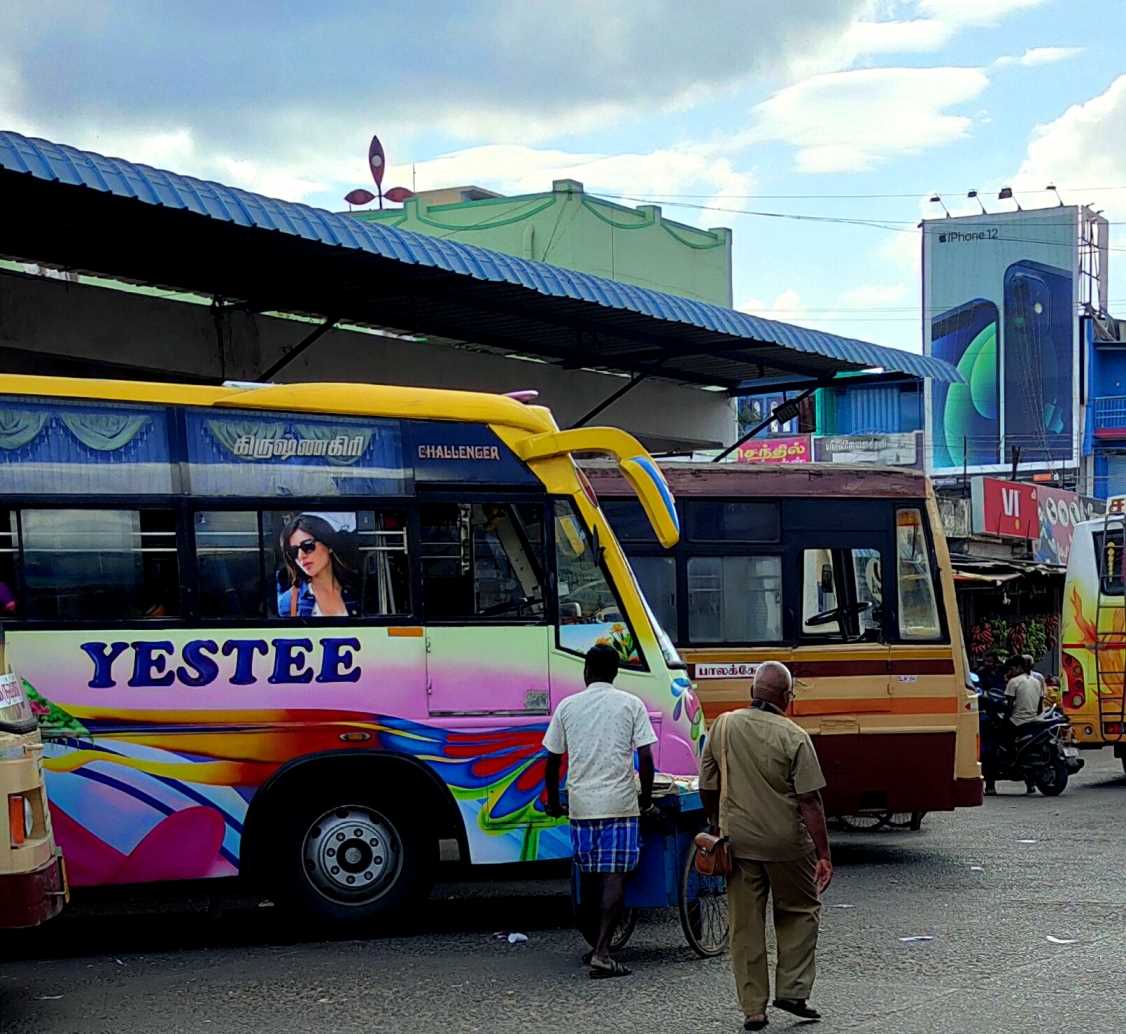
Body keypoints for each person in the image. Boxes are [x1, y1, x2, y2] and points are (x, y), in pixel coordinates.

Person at [700, 661, 832, 1032]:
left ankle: (753, 1009)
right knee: (800, 910)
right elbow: (810, 801)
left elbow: (707, 783)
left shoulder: (724, 725)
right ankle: (792, 989)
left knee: (745, 925)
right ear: (786, 699)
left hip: (738, 843)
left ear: (752, 692)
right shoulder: (794, 737)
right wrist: (823, 853)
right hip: (788, 844)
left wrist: (715, 823)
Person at [542, 643, 656, 979]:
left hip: (582, 805)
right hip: (619, 805)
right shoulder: (630, 704)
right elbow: (646, 759)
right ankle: (603, 953)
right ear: (616, 673)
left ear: (586, 671)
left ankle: (596, 945)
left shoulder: (568, 707)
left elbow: (551, 759)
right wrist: (645, 800)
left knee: (591, 880)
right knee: (614, 877)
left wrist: (553, 800)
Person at [277, 513, 358, 618]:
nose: (301, 556)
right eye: (293, 551)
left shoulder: (358, 591)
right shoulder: (288, 602)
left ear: (328, 544)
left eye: (307, 546)